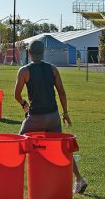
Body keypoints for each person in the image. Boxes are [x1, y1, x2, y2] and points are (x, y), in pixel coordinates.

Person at [14, 39, 88, 194]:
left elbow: (17, 94)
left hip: (35, 117)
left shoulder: (24, 71)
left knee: (18, 144)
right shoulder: (53, 69)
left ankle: (11, 178)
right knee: (62, 149)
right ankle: (79, 179)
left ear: (29, 52)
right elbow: (61, 92)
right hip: (53, 116)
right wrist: (65, 113)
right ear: (44, 52)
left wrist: (24, 104)